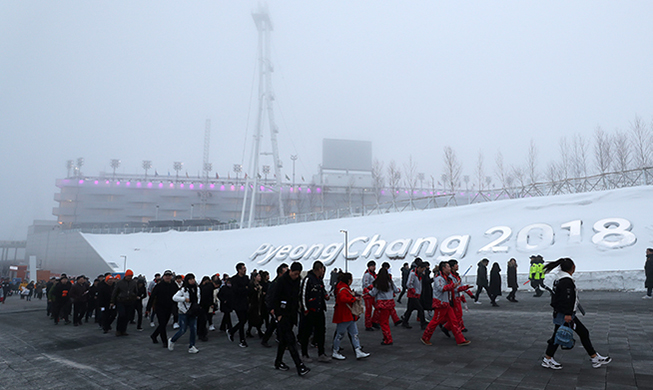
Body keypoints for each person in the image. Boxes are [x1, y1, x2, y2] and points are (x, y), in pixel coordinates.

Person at [541, 258, 611, 370]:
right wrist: (568, 313)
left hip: (562, 312)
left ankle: (594, 356)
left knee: (576, 333)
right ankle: (548, 359)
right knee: (560, 336)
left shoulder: (559, 279)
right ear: (573, 267)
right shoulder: (566, 281)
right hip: (565, 314)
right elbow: (568, 298)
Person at [271, 262, 310, 376]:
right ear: (290, 271)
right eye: (295, 274)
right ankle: (300, 366)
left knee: (283, 341)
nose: (296, 276)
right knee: (291, 340)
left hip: (291, 313)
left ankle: (278, 362)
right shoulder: (281, 281)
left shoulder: (297, 280)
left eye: (298, 274)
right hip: (282, 314)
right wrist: (277, 313)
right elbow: (275, 297)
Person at [420, 261, 471, 346]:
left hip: (446, 303)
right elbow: (441, 288)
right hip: (440, 303)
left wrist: (463, 287)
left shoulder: (447, 278)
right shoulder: (439, 278)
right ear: (443, 268)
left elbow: (454, 288)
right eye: (448, 267)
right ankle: (425, 337)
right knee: (435, 321)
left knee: (454, 321)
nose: (450, 268)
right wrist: (452, 286)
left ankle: (460, 340)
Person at [331, 272, 370, 360]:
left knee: (353, 333)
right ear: (349, 281)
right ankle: (336, 351)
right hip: (344, 314)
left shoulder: (342, 288)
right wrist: (353, 298)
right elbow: (343, 298)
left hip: (346, 314)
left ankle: (357, 350)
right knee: (342, 334)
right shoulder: (344, 289)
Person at [299, 261, 330, 363]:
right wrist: (305, 309)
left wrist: (325, 296)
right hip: (310, 311)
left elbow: (322, 290)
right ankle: (304, 354)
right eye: (322, 269)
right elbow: (303, 295)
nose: (323, 271)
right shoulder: (308, 279)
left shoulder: (319, 280)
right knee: (306, 333)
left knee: (321, 332)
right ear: (319, 269)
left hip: (319, 310)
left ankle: (321, 353)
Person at [169, 273, 201, 354]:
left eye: (193, 279)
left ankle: (192, 346)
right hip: (183, 312)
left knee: (193, 329)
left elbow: (198, 298)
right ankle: (172, 340)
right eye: (190, 279)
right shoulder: (183, 290)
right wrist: (184, 299)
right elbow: (174, 298)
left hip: (193, 311)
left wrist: (196, 306)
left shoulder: (197, 288)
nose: (192, 281)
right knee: (183, 330)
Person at [367, 267, 400, 345]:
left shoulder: (378, 283)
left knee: (383, 323)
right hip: (390, 303)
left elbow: (373, 293)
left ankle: (388, 339)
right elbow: (396, 290)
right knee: (386, 321)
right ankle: (386, 337)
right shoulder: (390, 282)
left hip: (382, 304)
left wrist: (367, 292)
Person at [146, 270, 178, 347]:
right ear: (163, 277)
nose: (168, 277)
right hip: (159, 307)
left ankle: (154, 335)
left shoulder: (174, 285)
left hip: (169, 307)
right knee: (163, 324)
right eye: (166, 275)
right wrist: (148, 308)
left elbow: (178, 295)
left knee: (163, 324)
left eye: (169, 275)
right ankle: (164, 341)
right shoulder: (159, 286)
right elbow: (152, 297)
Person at [261, 263, 289, 348]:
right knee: (278, 325)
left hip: (281, 307)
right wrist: (271, 308)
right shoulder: (275, 283)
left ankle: (266, 339)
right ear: (280, 273)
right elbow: (270, 297)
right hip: (275, 308)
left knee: (274, 325)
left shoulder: (284, 282)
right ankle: (283, 341)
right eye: (286, 271)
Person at [227, 263, 250, 348]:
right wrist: (245, 289)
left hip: (245, 302)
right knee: (242, 320)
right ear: (239, 270)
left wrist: (245, 289)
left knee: (244, 320)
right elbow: (236, 291)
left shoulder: (246, 278)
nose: (245, 270)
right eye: (243, 268)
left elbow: (248, 288)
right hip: (238, 303)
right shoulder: (234, 279)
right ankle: (242, 340)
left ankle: (232, 331)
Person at [111, 269, 138, 336]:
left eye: (131, 276)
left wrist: (134, 296)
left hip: (130, 301)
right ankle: (118, 330)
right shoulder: (120, 283)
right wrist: (112, 301)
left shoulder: (134, 283)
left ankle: (123, 330)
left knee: (127, 316)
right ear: (125, 276)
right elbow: (115, 292)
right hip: (121, 301)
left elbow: (136, 291)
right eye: (128, 276)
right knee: (121, 315)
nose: (129, 277)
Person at [448, 259, 473, 332]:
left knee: (457, 314)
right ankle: (457, 329)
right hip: (453, 297)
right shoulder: (450, 277)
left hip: (457, 297)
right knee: (457, 315)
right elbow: (454, 288)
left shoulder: (457, 276)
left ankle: (449, 328)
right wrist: (465, 288)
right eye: (456, 264)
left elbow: (460, 285)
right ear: (452, 267)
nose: (457, 266)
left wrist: (470, 294)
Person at [402, 260, 427, 329]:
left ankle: (405, 321)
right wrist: (414, 291)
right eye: (423, 269)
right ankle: (423, 323)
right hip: (413, 295)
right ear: (419, 268)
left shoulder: (420, 274)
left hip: (417, 294)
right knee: (420, 309)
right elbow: (409, 284)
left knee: (410, 309)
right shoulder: (412, 273)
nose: (423, 271)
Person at [361, 261, 378, 331]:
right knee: (368, 310)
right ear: (369, 267)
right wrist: (372, 287)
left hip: (373, 294)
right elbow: (365, 284)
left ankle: (374, 321)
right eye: (372, 266)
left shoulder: (374, 274)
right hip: (368, 294)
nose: (374, 267)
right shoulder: (367, 275)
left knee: (377, 308)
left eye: (374, 266)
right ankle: (368, 325)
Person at [247, 272, 264, 338]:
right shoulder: (251, 285)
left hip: (259, 304)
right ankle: (258, 331)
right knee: (255, 318)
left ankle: (250, 330)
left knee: (257, 318)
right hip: (253, 304)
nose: (260, 277)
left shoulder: (259, 285)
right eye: (258, 276)